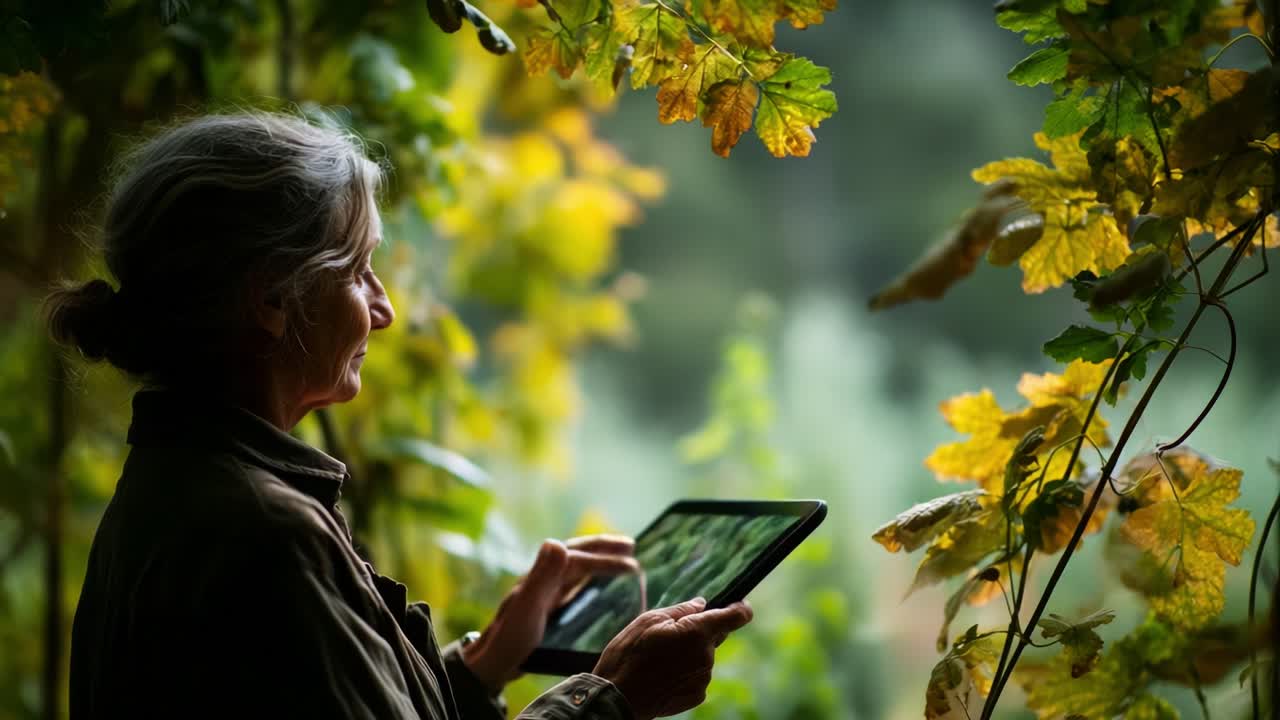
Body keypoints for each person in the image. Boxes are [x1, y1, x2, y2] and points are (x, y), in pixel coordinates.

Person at [45, 112, 753, 719]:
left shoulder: (174, 487)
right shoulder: (265, 534)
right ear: (270, 301)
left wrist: (485, 663)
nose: (382, 311)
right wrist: (611, 698)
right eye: (357, 272)